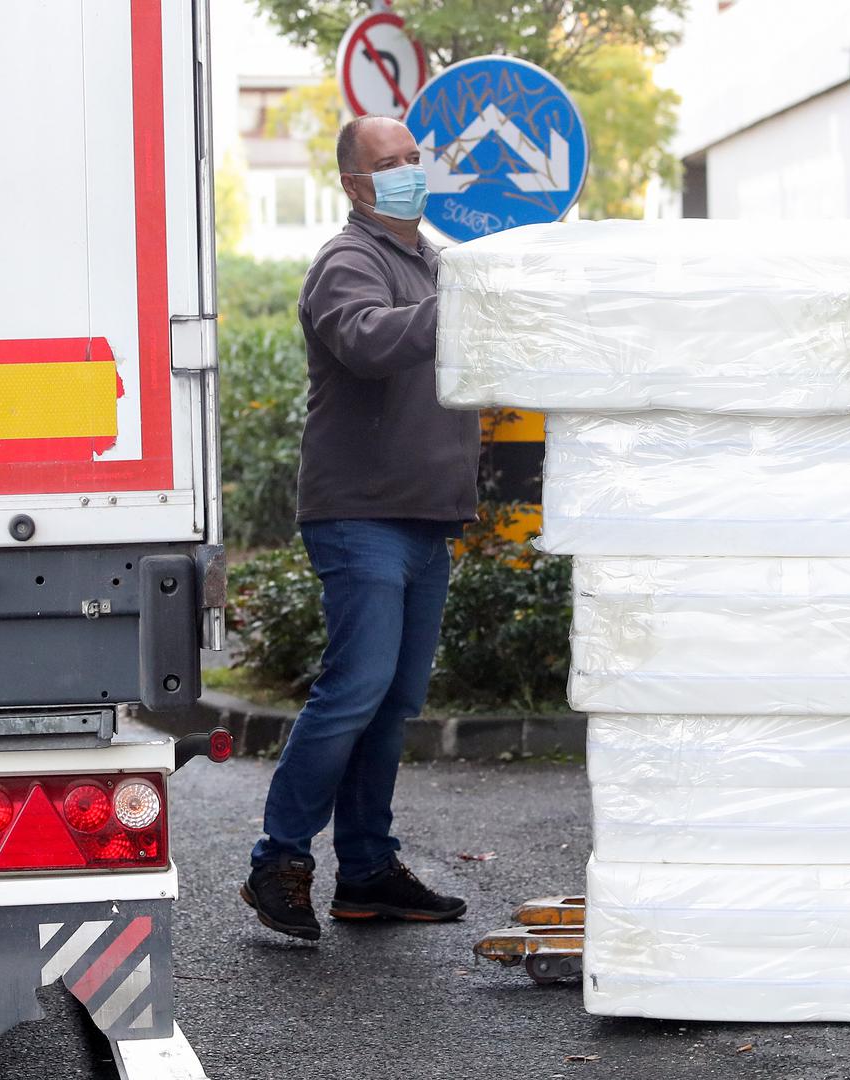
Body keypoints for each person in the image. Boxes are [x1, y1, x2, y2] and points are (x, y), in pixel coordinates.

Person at [241, 115, 480, 942]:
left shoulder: (432, 259)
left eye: (415, 157)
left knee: (392, 702)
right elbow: (368, 341)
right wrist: (459, 307)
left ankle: (369, 871)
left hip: (422, 516)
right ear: (354, 185)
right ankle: (278, 861)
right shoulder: (348, 261)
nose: (409, 171)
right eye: (389, 164)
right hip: (361, 516)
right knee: (352, 694)